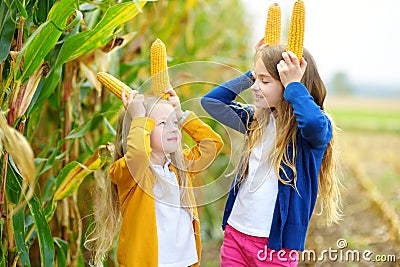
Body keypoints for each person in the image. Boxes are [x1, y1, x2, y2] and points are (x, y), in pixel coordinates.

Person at [201, 43, 342, 266]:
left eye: (265, 81)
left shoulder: (306, 136)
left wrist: (294, 85)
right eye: (256, 79)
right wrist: (254, 73)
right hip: (236, 233)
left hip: (275, 247)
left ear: (288, 85)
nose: (255, 87)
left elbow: (314, 123)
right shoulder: (256, 122)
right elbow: (211, 102)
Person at [87, 88, 223, 267]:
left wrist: (182, 115)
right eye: (162, 124)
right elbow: (138, 156)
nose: (173, 129)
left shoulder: (180, 167)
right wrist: (138, 119)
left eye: (174, 123)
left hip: (184, 262)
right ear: (140, 130)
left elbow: (212, 144)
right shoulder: (130, 173)